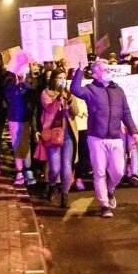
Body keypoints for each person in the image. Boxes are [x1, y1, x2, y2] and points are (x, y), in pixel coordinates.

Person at [70, 58, 138, 218]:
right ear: (95, 74)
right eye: (105, 69)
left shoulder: (118, 90)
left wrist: (133, 131)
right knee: (99, 172)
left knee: (118, 171)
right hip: (96, 138)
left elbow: (126, 112)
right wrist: (80, 69)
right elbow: (74, 89)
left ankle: (109, 190)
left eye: (109, 69)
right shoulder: (90, 89)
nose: (109, 71)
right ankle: (104, 205)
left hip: (116, 137)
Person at [41, 68, 79, 208]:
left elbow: (75, 111)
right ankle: (52, 184)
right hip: (53, 134)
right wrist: (58, 98)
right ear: (54, 79)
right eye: (59, 77)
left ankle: (65, 194)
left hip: (68, 134)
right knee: (55, 168)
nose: (62, 80)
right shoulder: (46, 93)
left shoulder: (68, 93)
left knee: (66, 166)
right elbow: (49, 109)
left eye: (64, 77)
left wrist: (68, 99)